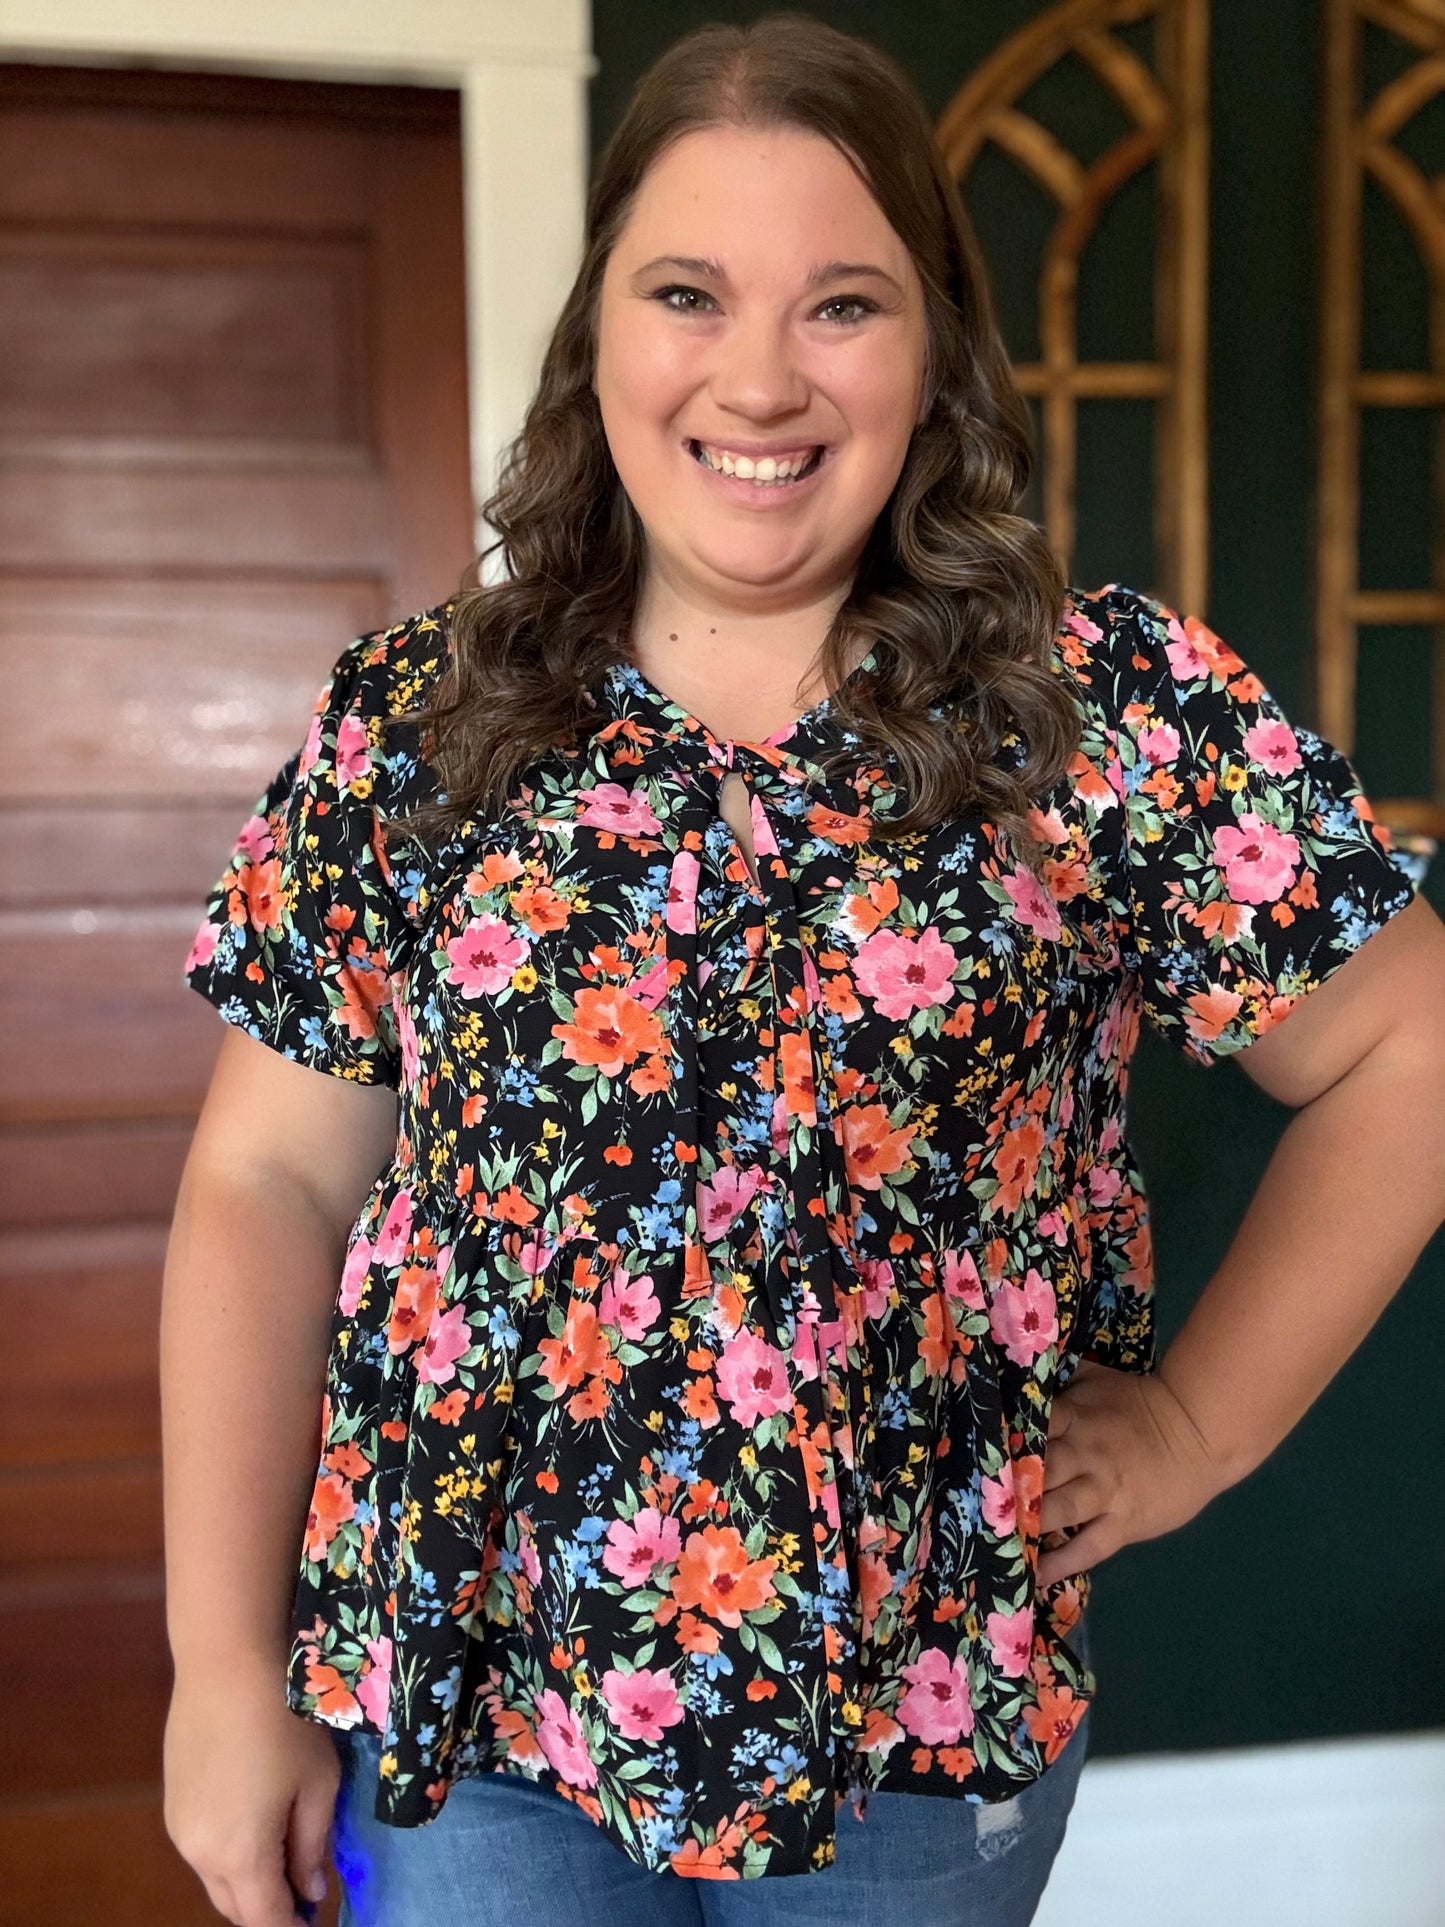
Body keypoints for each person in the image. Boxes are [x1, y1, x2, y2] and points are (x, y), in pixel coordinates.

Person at [160, 15, 1445, 1927]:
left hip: (910, 1716)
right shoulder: (424, 728)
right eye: (687, 293)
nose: (757, 376)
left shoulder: (1085, 716)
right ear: (600, 326)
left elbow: (1407, 1041)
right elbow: (265, 1182)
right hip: (474, 1687)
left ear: (932, 351)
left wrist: (1195, 1427)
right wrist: (212, 1675)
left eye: (841, 305)